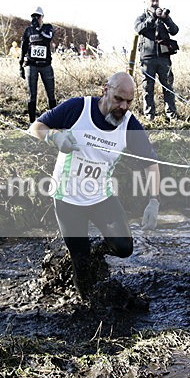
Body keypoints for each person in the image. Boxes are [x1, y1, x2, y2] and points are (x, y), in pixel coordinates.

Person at [28, 72, 161, 299]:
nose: (124, 106)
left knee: (124, 247)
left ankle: (94, 252)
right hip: (67, 198)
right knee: (81, 265)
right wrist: (54, 137)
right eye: (119, 99)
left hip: (100, 196)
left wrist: (154, 200)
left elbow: (151, 164)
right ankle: (86, 309)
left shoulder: (129, 124)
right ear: (105, 90)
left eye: (129, 102)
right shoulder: (78, 108)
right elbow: (36, 127)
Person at [134, 0, 179, 121]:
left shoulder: (163, 17)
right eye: (152, 1)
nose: (155, 3)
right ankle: (149, 116)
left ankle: (172, 115)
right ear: (146, 2)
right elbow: (138, 29)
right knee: (148, 88)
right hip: (147, 59)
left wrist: (166, 19)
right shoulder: (141, 17)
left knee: (168, 87)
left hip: (164, 58)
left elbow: (175, 31)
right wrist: (152, 17)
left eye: (157, 1)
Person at [20, 6, 57, 123]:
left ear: (42, 17)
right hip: (31, 65)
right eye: (33, 16)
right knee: (32, 94)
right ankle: (32, 122)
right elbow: (23, 47)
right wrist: (20, 65)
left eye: (38, 16)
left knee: (51, 93)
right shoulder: (28, 31)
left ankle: (54, 121)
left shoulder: (48, 27)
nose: (36, 18)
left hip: (46, 65)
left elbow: (48, 38)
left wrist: (39, 29)